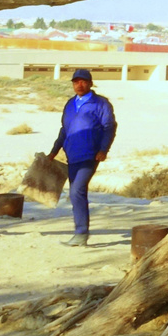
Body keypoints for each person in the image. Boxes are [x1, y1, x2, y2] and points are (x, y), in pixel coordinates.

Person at [48, 68, 117, 246]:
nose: (79, 85)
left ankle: (81, 233)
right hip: (73, 155)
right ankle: (81, 233)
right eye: (76, 81)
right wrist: (55, 150)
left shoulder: (101, 103)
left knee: (76, 190)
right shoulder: (70, 104)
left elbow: (109, 127)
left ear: (90, 83)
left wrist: (104, 149)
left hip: (91, 154)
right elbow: (64, 129)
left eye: (83, 81)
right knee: (77, 193)